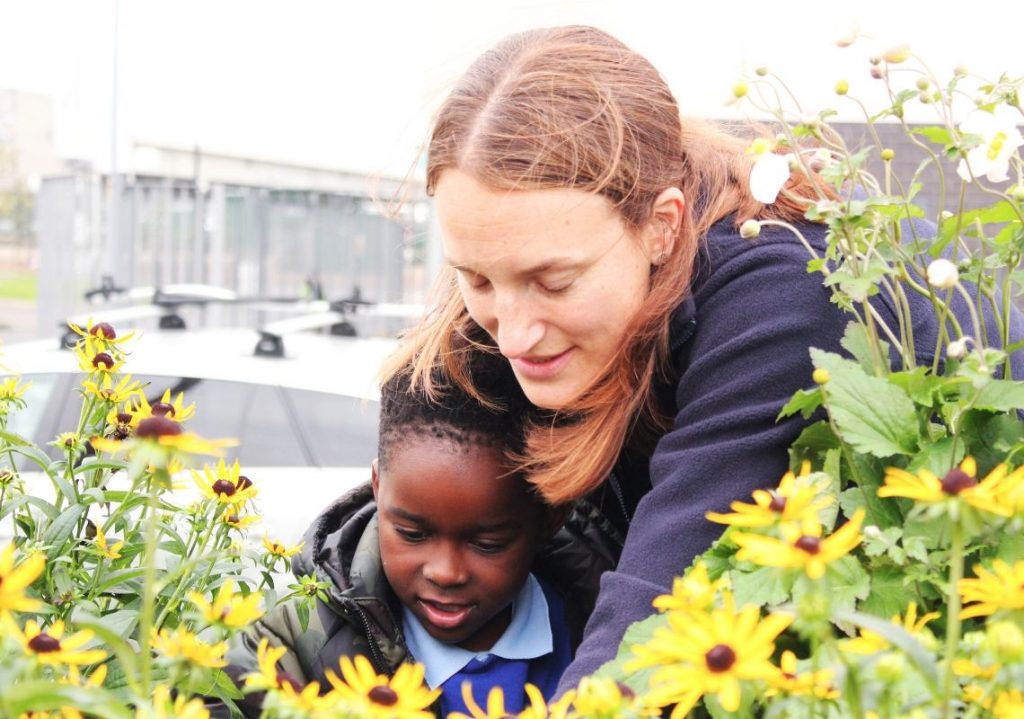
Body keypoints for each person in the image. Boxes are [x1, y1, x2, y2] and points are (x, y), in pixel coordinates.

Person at [382, 23, 1024, 694]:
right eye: (476, 279)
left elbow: (652, 624)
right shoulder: (531, 254)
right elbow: (414, 480)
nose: (510, 333)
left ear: (663, 224)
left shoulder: (786, 296)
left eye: (554, 282)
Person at [221, 352, 616, 717]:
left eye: (487, 544)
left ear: (551, 515)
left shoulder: (605, 630)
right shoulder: (303, 640)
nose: (445, 572)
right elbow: (214, 698)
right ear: (378, 486)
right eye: (412, 534)